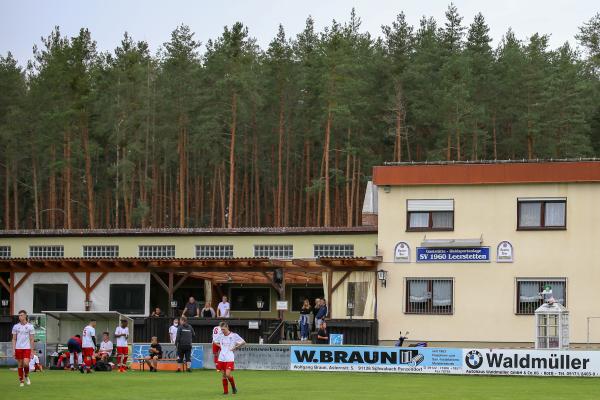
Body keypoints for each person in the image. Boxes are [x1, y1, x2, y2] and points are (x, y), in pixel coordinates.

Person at [213, 323, 245, 395]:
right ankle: (225, 392)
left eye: (223, 329)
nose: (222, 331)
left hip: (229, 357)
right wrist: (221, 346)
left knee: (227, 374)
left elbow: (243, 342)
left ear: (227, 327)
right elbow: (214, 341)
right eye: (221, 329)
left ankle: (234, 387)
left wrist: (236, 347)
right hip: (221, 358)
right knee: (224, 375)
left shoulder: (234, 335)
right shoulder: (221, 336)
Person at [12, 309, 35, 386]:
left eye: (21, 315)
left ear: (25, 316)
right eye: (19, 315)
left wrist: (32, 351)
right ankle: (21, 381)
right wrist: (13, 350)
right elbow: (14, 339)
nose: (20, 317)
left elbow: (32, 339)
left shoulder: (30, 326)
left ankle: (26, 376)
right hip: (18, 348)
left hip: (27, 348)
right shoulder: (15, 326)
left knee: (26, 363)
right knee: (20, 364)